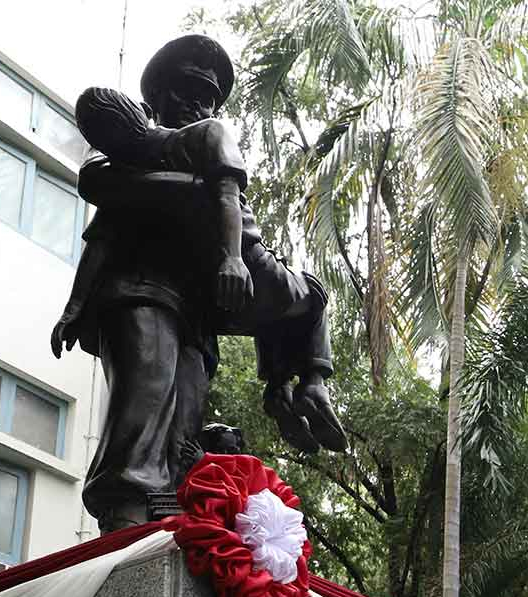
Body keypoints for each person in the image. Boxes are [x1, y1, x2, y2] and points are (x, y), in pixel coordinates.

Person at [55, 35, 345, 531]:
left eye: (209, 96)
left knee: (184, 421)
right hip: (141, 294)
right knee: (143, 400)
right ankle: (126, 513)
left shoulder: (204, 143)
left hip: (199, 311)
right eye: (187, 90)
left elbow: (224, 195)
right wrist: (73, 307)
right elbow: (102, 221)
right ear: (155, 100)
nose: (201, 103)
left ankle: (295, 386)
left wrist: (213, 227)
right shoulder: (118, 153)